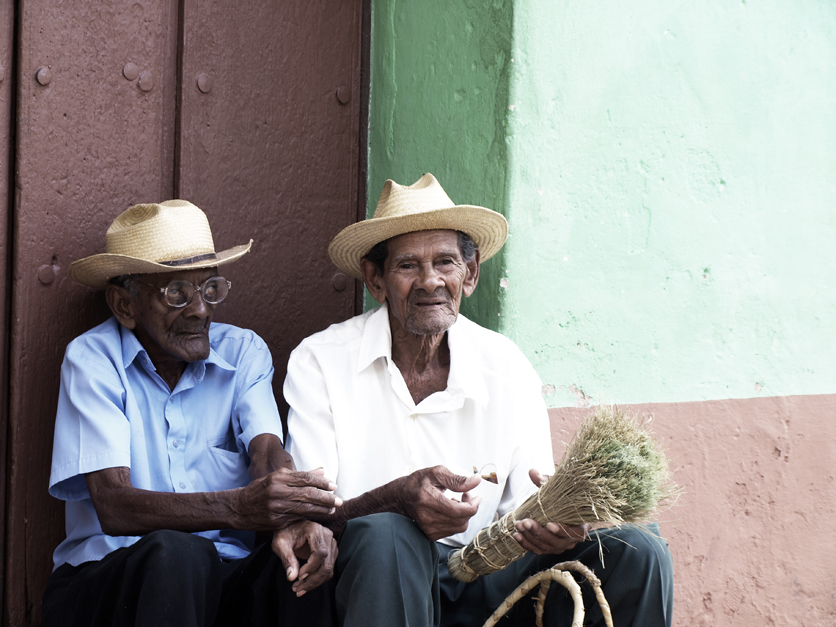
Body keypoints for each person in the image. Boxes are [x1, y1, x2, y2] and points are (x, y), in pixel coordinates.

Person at [285, 174, 674, 627]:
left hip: (485, 572)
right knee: (388, 536)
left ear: (469, 275)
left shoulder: (505, 365)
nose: (430, 281)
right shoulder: (322, 360)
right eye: (408, 266)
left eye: (446, 262)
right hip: (374, 577)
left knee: (639, 549)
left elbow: (525, 508)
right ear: (376, 280)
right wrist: (397, 502)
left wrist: (554, 528)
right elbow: (314, 513)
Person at [43, 200, 340, 627]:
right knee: (179, 553)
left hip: (217, 575)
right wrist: (239, 508)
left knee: (301, 564)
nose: (200, 309)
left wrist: (292, 515)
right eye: (177, 293)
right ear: (124, 305)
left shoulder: (243, 351)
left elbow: (266, 451)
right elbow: (114, 505)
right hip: (108, 582)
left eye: (210, 289)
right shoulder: (92, 359)